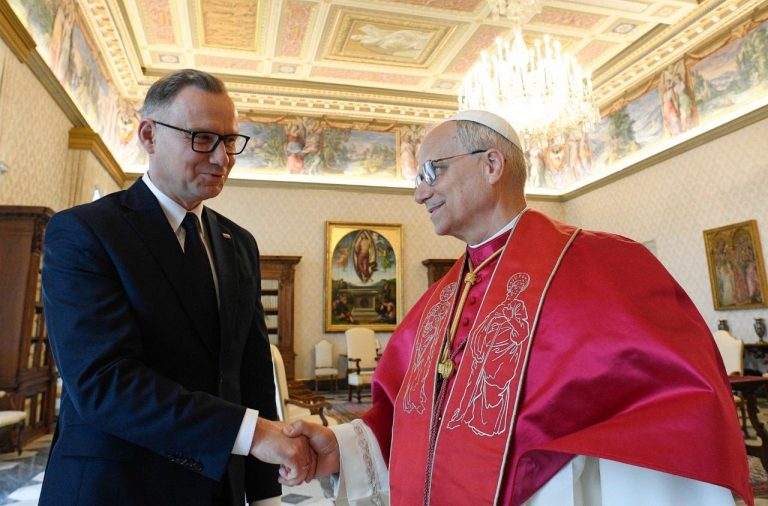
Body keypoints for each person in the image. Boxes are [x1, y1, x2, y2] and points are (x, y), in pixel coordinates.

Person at [286, 110, 753, 505]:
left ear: (491, 164)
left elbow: (674, 411)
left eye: (432, 172)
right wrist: (342, 447)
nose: (419, 194)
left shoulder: (602, 264)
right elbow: (404, 419)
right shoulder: (437, 301)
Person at [40, 69, 314, 506]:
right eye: (203, 138)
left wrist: (266, 495)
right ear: (149, 135)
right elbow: (103, 382)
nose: (222, 158)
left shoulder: (239, 243)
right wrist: (252, 433)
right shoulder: (85, 232)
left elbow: (252, 373)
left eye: (230, 141)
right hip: (117, 487)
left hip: (219, 489)